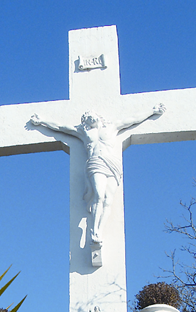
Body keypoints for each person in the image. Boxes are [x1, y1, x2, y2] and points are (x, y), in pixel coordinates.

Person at [30, 104, 165, 245]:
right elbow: (61, 127)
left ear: (98, 117)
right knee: (99, 196)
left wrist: (152, 111)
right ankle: (94, 230)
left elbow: (133, 119)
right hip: (96, 163)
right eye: (86, 118)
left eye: (90, 116)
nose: (89, 118)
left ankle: (99, 230)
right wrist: (42, 122)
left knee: (108, 200)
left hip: (112, 165)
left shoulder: (112, 127)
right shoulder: (83, 131)